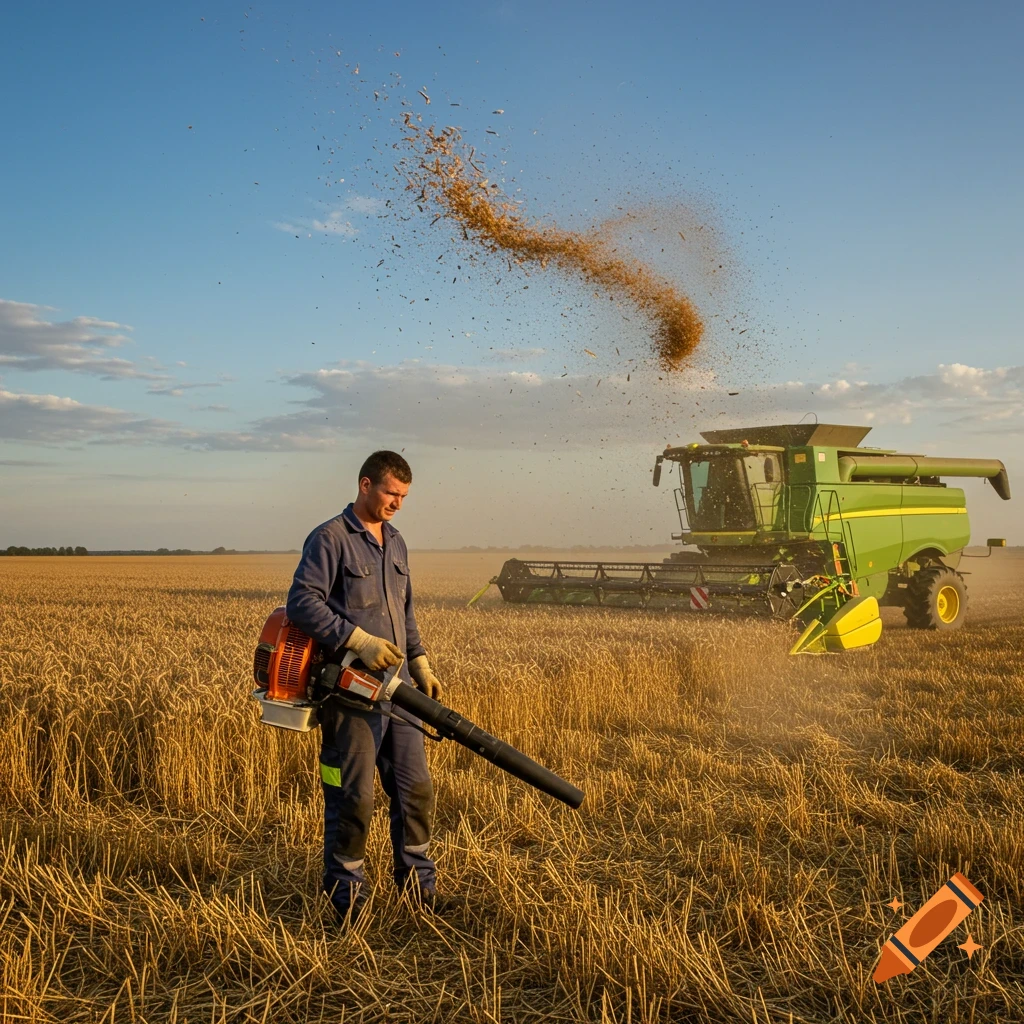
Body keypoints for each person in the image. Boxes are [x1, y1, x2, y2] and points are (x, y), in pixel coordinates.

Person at [285, 450, 445, 923]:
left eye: (404, 496)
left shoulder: (395, 542)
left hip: (400, 694)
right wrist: (358, 640)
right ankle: (346, 900)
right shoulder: (330, 539)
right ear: (365, 484)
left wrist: (421, 662)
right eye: (391, 492)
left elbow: (405, 610)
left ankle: (419, 891)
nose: (398, 502)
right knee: (353, 797)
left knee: (415, 790)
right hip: (350, 693)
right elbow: (301, 602)